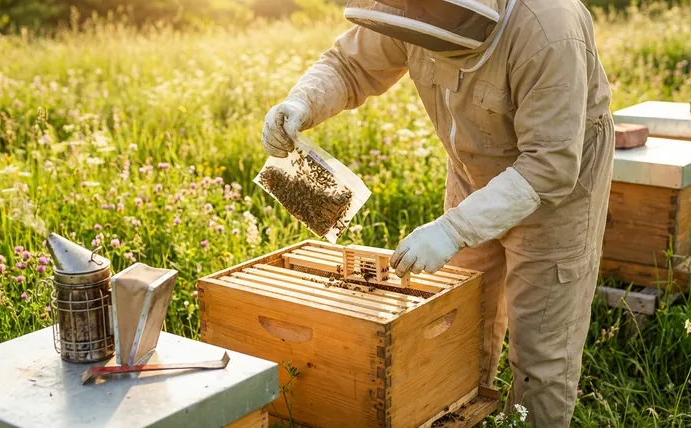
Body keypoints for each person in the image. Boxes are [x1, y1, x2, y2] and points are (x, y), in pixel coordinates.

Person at [260, 0, 614, 426]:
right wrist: (302, 102)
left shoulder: (549, 27)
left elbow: (550, 165)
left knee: (542, 350)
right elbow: (350, 65)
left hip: (557, 193)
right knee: (459, 322)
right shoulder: (412, 7)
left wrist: (453, 230)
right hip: (471, 175)